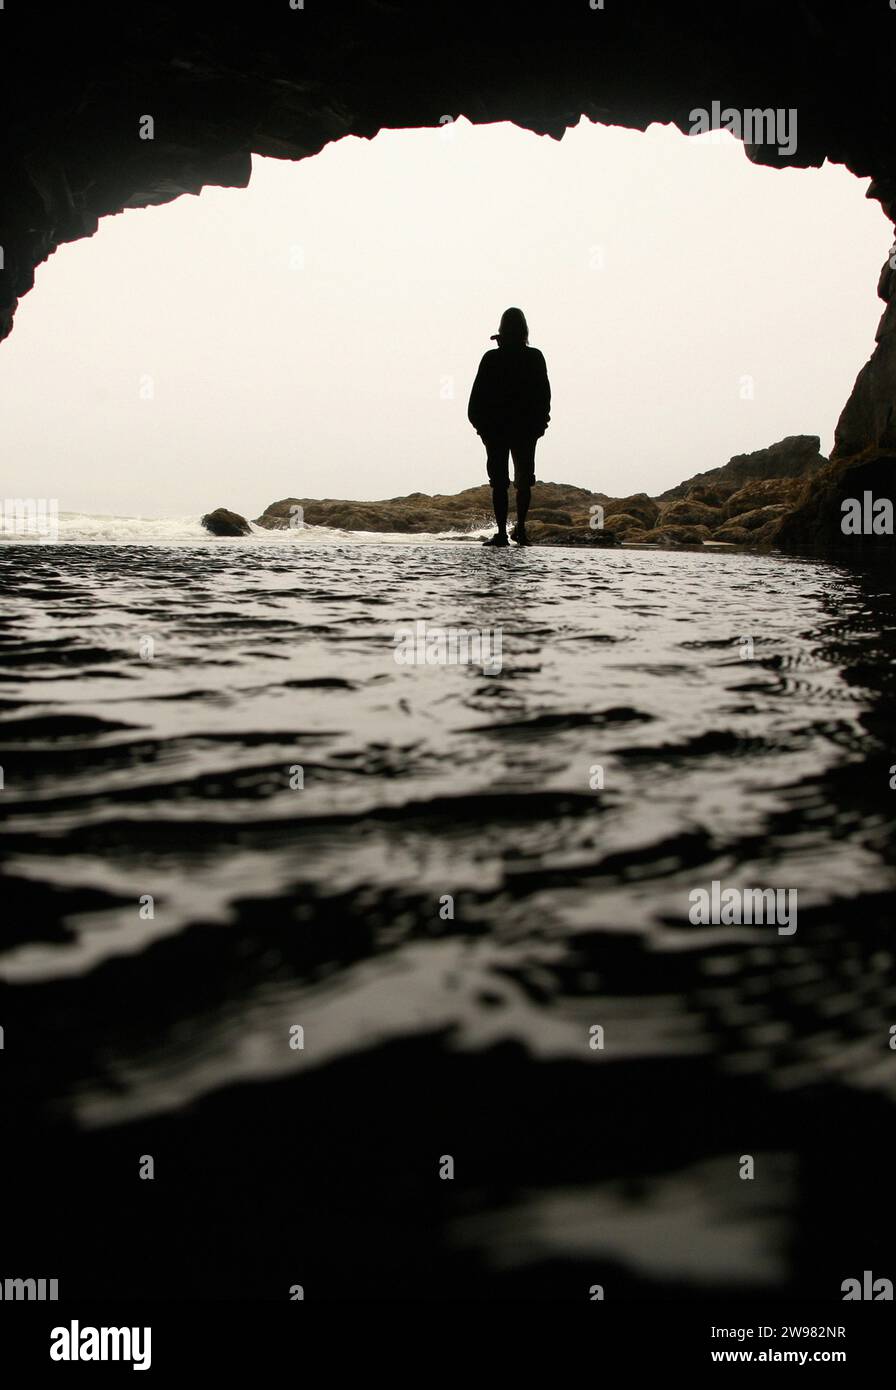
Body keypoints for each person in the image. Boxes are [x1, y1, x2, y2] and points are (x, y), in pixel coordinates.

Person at [467, 307, 551, 547]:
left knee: (500, 483)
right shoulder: (534, 357)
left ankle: (503, 533)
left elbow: (475, 400)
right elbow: (544, 396)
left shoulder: (492, 358)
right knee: (523, 481)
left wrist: (482, 428)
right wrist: (540, 424)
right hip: (523, 430)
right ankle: (521, 530)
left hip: (497, 431)